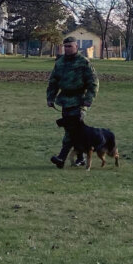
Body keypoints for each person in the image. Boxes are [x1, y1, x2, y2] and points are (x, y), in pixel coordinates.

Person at [47, 36, 99, 168]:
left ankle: (61, 158)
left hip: (79, 101)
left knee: (72, 130)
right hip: (65, 101)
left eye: (70, 46)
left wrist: (88, 100)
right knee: (73, 131)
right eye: (65, 46)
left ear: (76, 47)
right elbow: (53, 82)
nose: (67, 49)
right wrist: (50, 98)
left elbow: (93, 82)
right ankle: (80, 158)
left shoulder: (83, 62)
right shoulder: (60, 63)